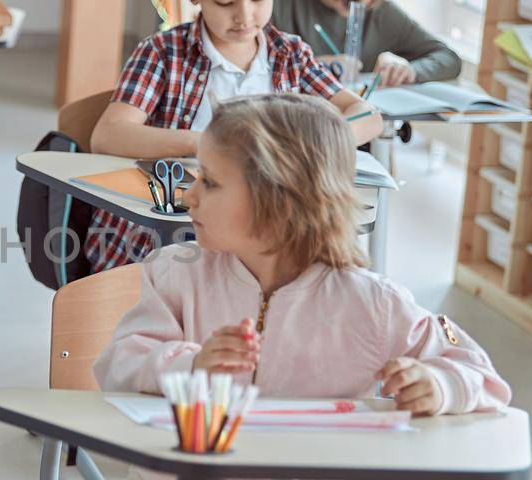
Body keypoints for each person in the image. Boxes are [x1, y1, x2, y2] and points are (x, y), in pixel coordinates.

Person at [92, 94, 510, 417]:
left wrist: (440, 384)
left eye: (212, 183)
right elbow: (118, 364)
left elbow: (481, 375)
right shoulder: (175, 275)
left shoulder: (374, 303)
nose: (189, 195)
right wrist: (192, 365)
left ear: (279, 201)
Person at [84, 0, 383, 274]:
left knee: (320, 267)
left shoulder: (290, 55)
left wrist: (314, 142)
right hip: (168, 237)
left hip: (261, 232)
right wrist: (208, 143)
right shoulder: (163, 51)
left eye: (257, 0)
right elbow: (109, 134)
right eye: (226, 1)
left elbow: (367, 115)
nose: (244, 16)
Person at [270, 0, 462, 88]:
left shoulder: (382, 11)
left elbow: (448, 58)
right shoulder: (275, 6)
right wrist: (313, 66)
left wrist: (409, 70)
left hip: (361, 125)